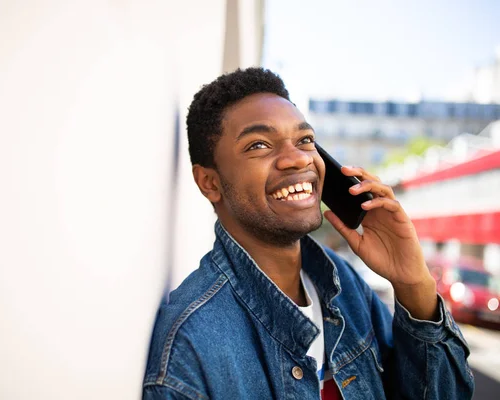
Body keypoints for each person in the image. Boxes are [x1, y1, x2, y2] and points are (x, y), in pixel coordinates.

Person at [143, 68, 473, 399]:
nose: (298, 158)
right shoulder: (192, 345)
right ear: (210, 183)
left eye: (305, 140)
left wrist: (413, 284)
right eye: (259, 144)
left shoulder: (343, 283)